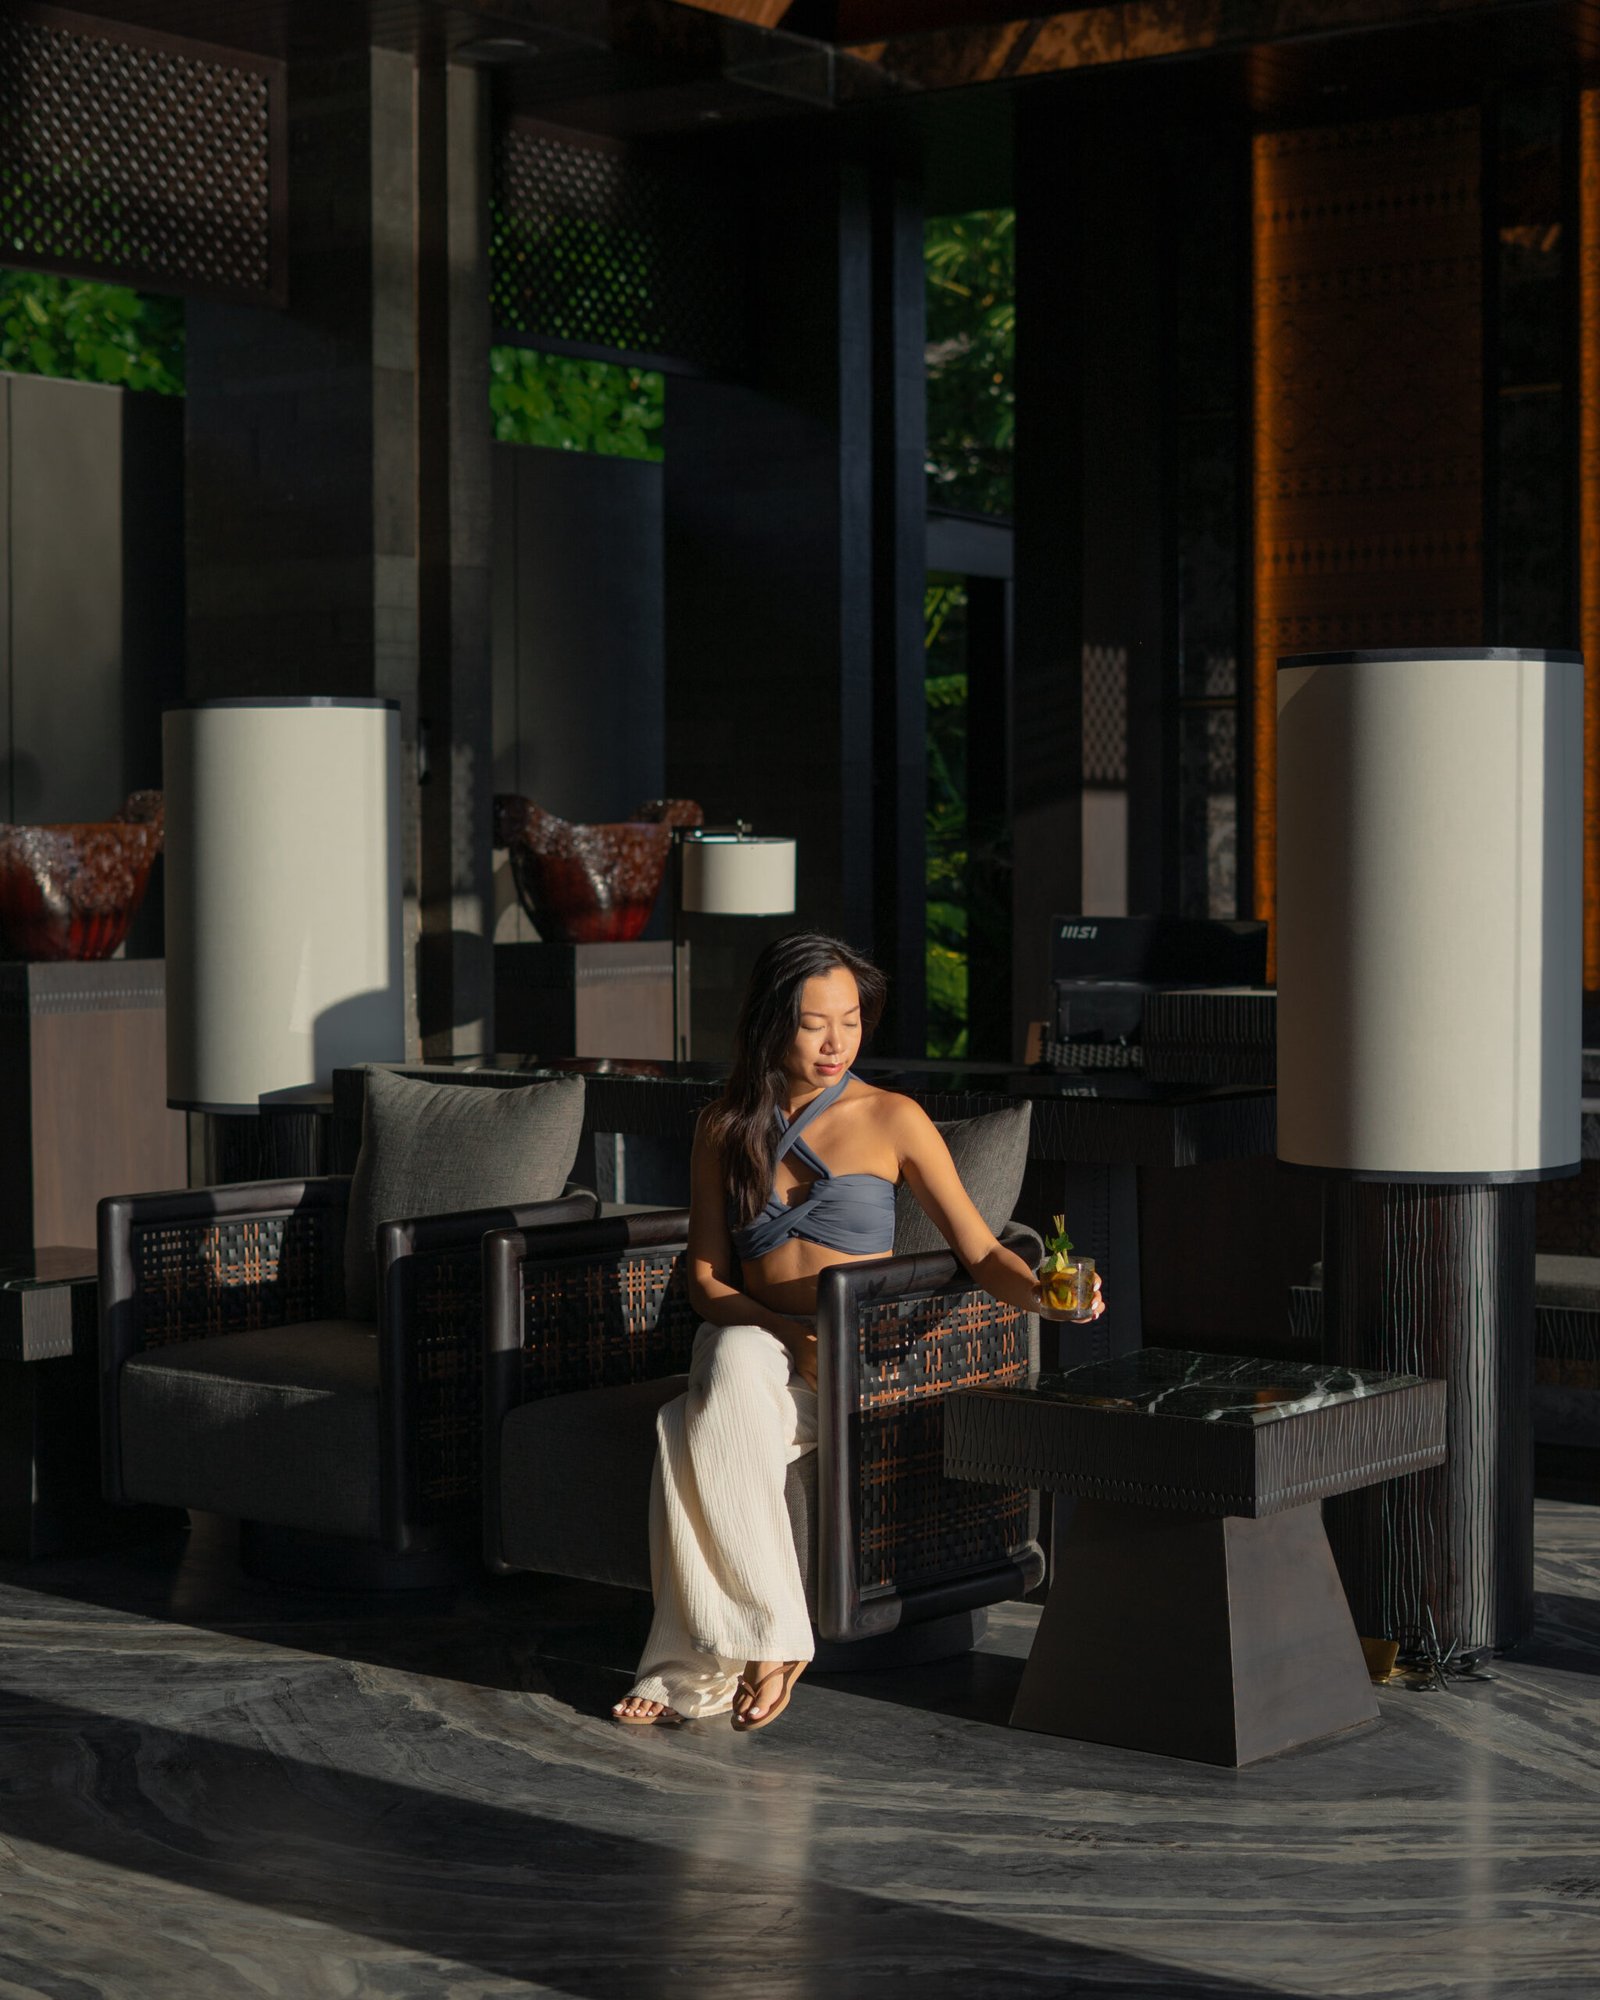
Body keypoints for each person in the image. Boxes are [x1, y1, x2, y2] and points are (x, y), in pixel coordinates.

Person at [612, 931, 1105, 1731]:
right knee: (732, 1356)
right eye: (815, 1024)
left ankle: (690, 1672)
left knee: (683, 1425)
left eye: (850, 1021)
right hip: (754, 1338)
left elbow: (982, 1252)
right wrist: (785, 1333)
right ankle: (776, 1641)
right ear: (772, 1024)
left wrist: (1048, 1299)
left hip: (852, 1354)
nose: (836, 1042)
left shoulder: (891, 1117)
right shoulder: (724, 1127)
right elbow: (707, 1283)